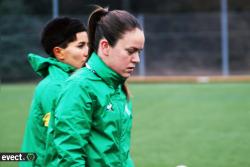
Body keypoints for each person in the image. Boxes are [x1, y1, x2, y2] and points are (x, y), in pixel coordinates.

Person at [51, 6, 145, 166]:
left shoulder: (118, 88)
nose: (137, 59)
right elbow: (69, 157)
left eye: (139, 52)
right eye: (130, 51)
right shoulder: (79, 87)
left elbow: (120, 156)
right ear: (105, 47)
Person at [20, 16, 89, 167]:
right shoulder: (56, 87)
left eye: (89, 45)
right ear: (59, 53)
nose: (87, 52)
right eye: (81, 46)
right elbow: (57, 146)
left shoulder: (68, 82)